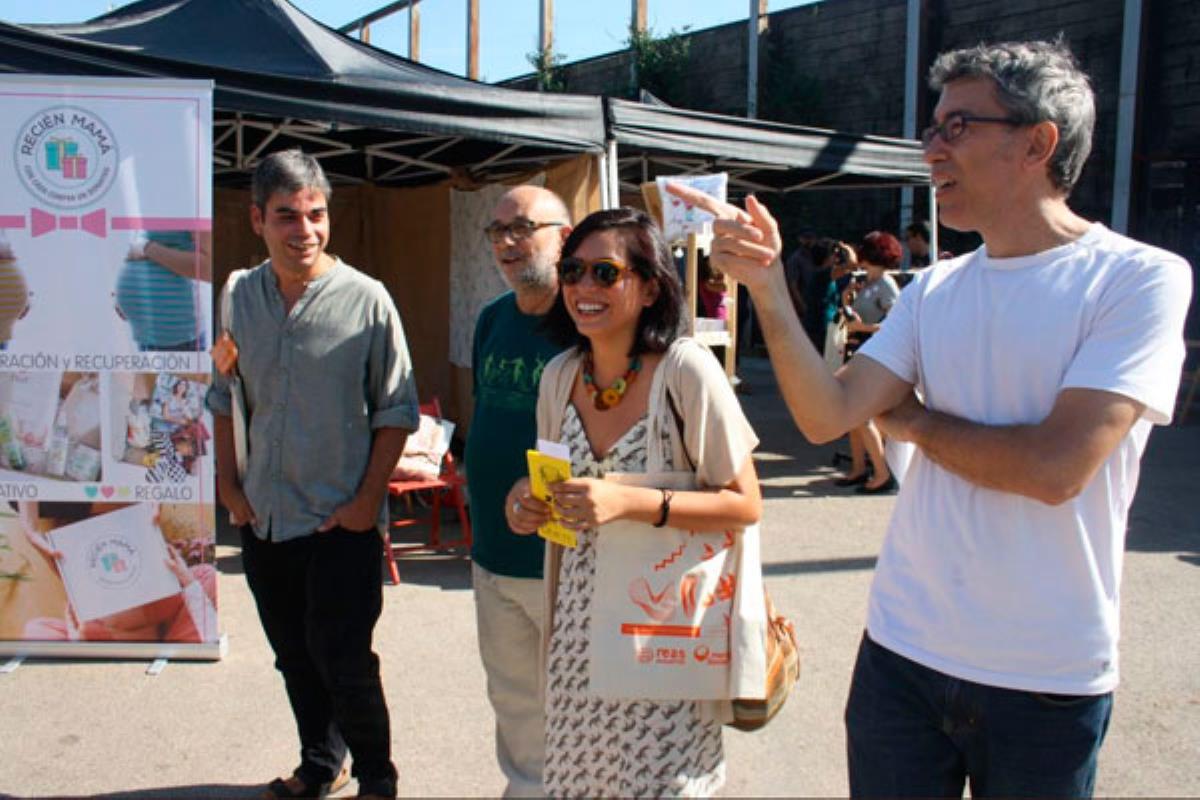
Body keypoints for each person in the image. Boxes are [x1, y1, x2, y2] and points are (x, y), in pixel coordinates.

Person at [669, 39, 1192, 798]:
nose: (932, 149)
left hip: (1045, 675)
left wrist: (909, 423)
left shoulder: (1136, 279)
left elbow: (1054, 470)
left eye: (958, 127)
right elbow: (829, 415)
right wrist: (766, 286)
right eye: (932, 127)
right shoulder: (933, 290)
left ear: (1038, 142)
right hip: (901, 654)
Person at [505, 208, 762, 797]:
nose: (583, 288)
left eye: (604, 272)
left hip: (666, 630)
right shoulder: (558, 375)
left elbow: (745, 503)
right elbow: (554, 492)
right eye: (572, 271)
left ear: (649, 286)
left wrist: (628, 502)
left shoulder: (686, 371)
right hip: (575, 635)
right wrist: (525, 503)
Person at [207, 150, 418, 800]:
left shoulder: (367, 301)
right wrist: (228, 488)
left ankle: (378, 781)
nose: (305, 230)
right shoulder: (240, 296)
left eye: (316, 214)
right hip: (265, 519)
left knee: (347, 662)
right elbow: (225, 394)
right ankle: (321, 765)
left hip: (339, 522)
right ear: (257, 221)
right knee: (295, 657)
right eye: (287, 216)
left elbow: (397, 410)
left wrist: (365, 503)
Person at [465, 185, 571, 797]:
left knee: (576, 701)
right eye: (497, 230)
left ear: (565, 234)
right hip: (492, 553)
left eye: (523, 226)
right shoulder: (492, 318)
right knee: (513, 699)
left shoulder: (587, 323)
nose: (507, 241)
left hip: (559, 555)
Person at [837, 232, 902, 494]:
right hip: (861, 350)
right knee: (854, 414)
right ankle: (860, 468)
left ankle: (882, 472)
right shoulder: (870, 281)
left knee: (862, 416)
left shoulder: (886, 284)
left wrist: (863, 327)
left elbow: (894, 324)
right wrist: (847, 299)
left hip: (874, 353)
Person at [116, 229, 212, 351]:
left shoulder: (188, 210)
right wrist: (127, 295)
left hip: (177, 337)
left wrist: (147, 248)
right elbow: (141, 251)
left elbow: (208, 268)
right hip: (145, 333)